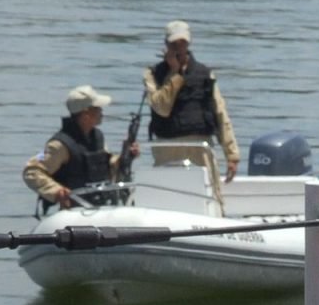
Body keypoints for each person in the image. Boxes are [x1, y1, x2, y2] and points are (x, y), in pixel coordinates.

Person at [143, 20, 241, 183]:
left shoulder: (205, 74)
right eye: (174, 44)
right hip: (167, 147)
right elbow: (161, 108)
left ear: (189, 43)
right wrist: (174, 73)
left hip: (200, 147)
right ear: (166, 44)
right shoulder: (153, 75)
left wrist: (232, 155)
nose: (179, 48)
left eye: (183, 43)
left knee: (210, 193)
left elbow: (220, 114)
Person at [22, 85, 138, 211]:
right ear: (86, 115)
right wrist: (56, 191)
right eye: (97, 108)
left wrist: (126, 156)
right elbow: (32, 171)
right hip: (74, 211)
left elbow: (106, 167)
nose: (102, 112)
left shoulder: (97, 137)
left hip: (101, 206)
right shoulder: (58, 146)